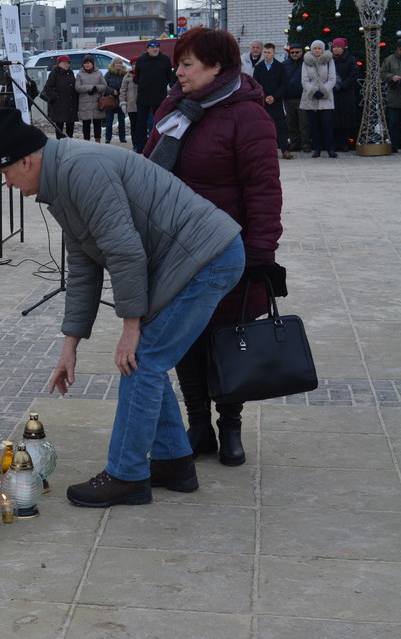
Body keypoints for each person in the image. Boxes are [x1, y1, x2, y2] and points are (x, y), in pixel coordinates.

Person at [0, 107, 244, 507]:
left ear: (25, 160)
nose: (7, 184)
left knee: (140, 360)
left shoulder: (81, 169)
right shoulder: (61, 180)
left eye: (5, 174)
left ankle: (126, 475)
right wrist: (70, 345)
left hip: (206, 257)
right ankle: (174, 463)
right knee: (147, 361)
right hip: (188, 260)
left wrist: (130, 328)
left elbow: (125, 254)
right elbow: (84, 266)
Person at [144, 27, 283, 466]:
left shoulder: (248, 115)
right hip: (174, 248)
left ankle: (230, 425)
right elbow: (147, 169)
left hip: (227, 250)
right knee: (185, 338)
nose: (178, 71)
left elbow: (264, 190)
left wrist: (259, 253)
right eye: (178, 63)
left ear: (217, 66)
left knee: (227, 336)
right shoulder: (175, 107)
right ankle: (199, 425)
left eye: (187, 64)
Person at [132, 40, 175, 153]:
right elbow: (137, 77)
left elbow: (169, 76)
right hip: (143, 96)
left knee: (159, 122)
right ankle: (139, 146)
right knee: (141, 122)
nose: (155, 49)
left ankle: (158, 145)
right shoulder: (141, 60)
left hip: (159, 96)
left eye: (157, 47)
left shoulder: (165, 60)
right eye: (152, 47)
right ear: (147, 49)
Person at [253, 43, 293, 159]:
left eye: (269, 52)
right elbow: (256, 85)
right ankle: (264, 151)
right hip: (263, 102)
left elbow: (284, 84)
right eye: (265, 52)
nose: (266, 54)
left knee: (280, 126)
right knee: (263, 127)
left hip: (276, 102)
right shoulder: (259, 67)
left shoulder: (280, 67)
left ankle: (285, 149)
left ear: (274, 53)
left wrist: (274, 97)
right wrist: (264, 97)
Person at [301, 40, 338, 158]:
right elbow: (304, 80)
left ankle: (330, 149)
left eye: (319, 48)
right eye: (314, 48)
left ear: (323, 49)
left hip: (325, 98)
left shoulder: (329, 61)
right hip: (311, 97)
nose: (316, 50)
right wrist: (312, 91)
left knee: (327, 124)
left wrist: (323, 91)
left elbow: (332, 78)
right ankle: (316, 149)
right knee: (313, 125)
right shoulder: (306, 62)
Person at [330, 37, 359, 152]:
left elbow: (353, 75)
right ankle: (335, 143)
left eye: (338, 47)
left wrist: (342, 86)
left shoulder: (351, 60)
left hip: (346, 95)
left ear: (343, 48)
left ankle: (345, 143)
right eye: (334, 47)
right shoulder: (330, 60)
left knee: (346, 120)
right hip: (333, 95)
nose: (336, 49)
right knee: (334, 120)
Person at [282, 43, 311, 152]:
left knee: (304, 123)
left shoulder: (307, 64)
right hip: (288, 98)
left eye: (297, 52)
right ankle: (294, 143)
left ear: (302, 52)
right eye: (292, 52)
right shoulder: (284, 64)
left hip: (303, 98)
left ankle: (306, 144)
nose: (294, 54)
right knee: (291, 122)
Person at [42, 55, 79, 139]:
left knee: (70, 125)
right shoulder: (54, 73)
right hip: (59, 104)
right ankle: (59, 143)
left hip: (70, 104)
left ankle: (69, 142)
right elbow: (47, 87)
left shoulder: (71, 73)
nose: (67, 65)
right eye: (65, 63)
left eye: (68, 63)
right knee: (59, 125)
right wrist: (56, 96)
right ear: (59, 64)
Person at [74, 54, 106, 142]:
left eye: (88, 63)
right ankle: (86, 142)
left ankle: (97, 142)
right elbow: (77, 87)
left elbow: (104, 86)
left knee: (97, 125)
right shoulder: (80, 74)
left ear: (92, 63)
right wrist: (90, 88)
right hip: (85, 104)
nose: (86, 65)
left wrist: (96, 88)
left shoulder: (99, 73)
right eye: (85, 63)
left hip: (96, 103)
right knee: (86, 125)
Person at [381, 38, 401, 154]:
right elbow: (382, 73)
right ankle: (394, 146)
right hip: (394, 97)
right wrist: (392, 77)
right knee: (394, 123)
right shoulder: (389, 59)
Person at [102, 57, 128, 144]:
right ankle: (108, 138)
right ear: (113, 64)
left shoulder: (124, 74)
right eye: (117, 63)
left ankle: (122, 138)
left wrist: (121, 91)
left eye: (120, 63)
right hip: (111, 99)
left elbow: (127, 85)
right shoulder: (108, 74)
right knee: (109, 119)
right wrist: (112, 91)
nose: (118, 65)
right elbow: (104, 85)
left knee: (122, 120)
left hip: (121, 99)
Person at [119, 57, 139, 150]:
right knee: (134, 126)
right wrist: (123, 103)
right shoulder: (127, 76)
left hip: (142, 105)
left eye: (137, 63)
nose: (136, 65)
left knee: (142, 126)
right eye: (134, 64)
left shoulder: (144, 74)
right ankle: (135, 144)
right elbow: (123, 90)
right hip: (131, 105)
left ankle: (141, 143)